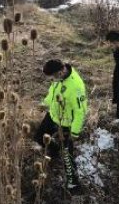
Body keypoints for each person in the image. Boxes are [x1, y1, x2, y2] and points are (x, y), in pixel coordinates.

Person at [34, 59, 88, 195]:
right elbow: (53, 93)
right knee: (39, 137)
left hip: (65, 125)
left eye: (53, 76)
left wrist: (74, 132)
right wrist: (44, 103)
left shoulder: (76, 87)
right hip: (52, 116)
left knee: (67, 157)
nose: (52, 79)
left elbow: (80, 111)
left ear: (61, 71)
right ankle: (55, 150)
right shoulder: (59, 78)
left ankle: (74, 185)